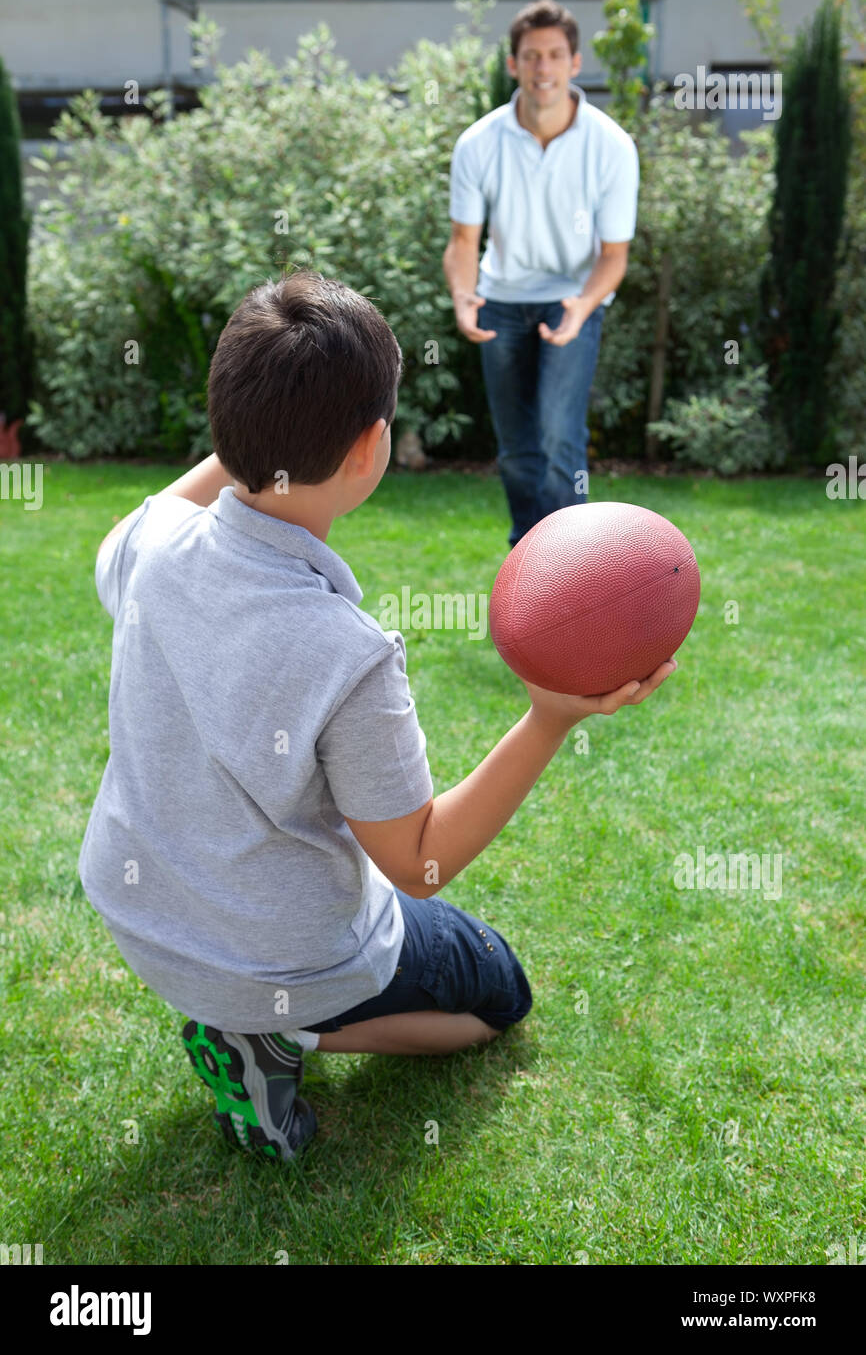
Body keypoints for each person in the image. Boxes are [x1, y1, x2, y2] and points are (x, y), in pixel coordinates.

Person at [78, 270, 675, 1162]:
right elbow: (420, 860)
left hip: (149, 920)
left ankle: (245, 1021)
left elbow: (196, 491)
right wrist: (549, 719)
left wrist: (257, 415)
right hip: (279, 957)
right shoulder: (344, 651)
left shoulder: (149, 543)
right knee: (496, 995)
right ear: (371, 447)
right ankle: (275, 1037)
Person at [444, 0, 640, 548]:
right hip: (499, 299)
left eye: (555, 55)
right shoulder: (478, 143)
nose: (543, 68)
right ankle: (527, 560)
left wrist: (583, 303)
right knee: (516, 447)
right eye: (531, 56)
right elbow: (463, 241)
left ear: (575, 63)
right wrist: (464, 295)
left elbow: (614, 254)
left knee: (559, 436)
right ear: (513, 64)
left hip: (574, 299)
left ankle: (571, 564)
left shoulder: (612, 146)